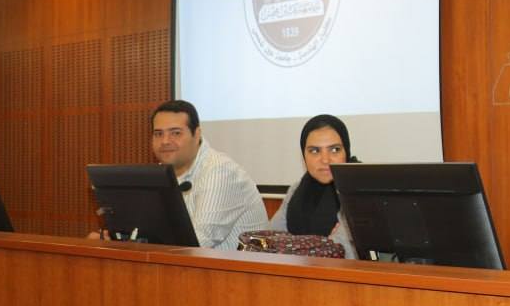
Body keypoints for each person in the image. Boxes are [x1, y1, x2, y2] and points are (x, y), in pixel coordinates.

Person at [149, 99, 268, 250]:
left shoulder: (219, 171)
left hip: (238, 265)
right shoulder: (160, 174)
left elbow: (198, 242)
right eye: (158, 134)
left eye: (176, 133)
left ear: (197, 134)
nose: (165, 141)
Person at [268, 114, 358, 258]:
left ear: (346, 151)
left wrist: (292, 244)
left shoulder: (359, 190)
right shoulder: (297, 190)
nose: (325, 159)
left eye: (334, 149)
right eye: (315, 151)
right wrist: (323, 244)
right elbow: (269, 242)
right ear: (304, 156)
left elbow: (343, 253)